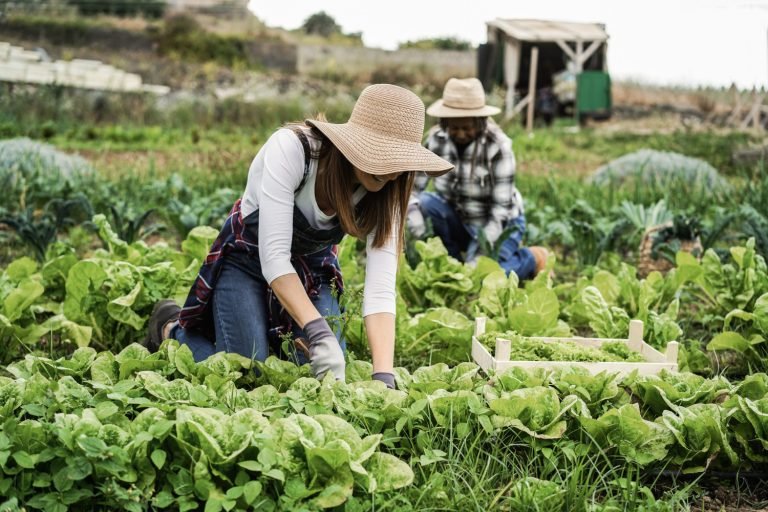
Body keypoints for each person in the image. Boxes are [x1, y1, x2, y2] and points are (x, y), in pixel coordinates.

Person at [145, 84, 453, 387]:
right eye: (380, 153)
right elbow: (275, 259)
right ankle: (171, 328)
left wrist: (383, 374)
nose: (389, 171)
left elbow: (380, 289)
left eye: (398, 159)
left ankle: (268, 332)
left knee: (326, 375)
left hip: (312, 270)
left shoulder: (389, 191)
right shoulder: (294, 150)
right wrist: (318, 330)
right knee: (247, 372)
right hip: (248, 261)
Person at [407, 77, 548, 279]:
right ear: (445, 122)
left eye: (467, 127)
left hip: (500, 224)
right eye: (454, 127)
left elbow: (500, 212)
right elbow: (413, 189)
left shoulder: (498, 147)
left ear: (480, 122)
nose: (461, 133)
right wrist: (416, 222)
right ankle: (454, 262)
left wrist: (477, 258)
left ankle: (532, 259)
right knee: (428, 203)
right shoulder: (435, 140)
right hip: (460, 218)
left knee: (480, 278)